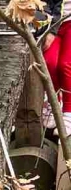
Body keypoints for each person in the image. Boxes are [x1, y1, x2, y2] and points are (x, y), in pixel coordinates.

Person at [42, 0, 71, 131]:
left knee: (65, 65)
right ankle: (54, 104)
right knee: (49, 63)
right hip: (54, 23)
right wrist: (50, 28)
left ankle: (68, 112)